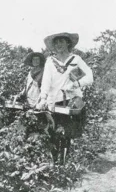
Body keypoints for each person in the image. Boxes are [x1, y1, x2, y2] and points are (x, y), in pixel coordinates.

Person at [36, 32, 93, 164]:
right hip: (53, 102)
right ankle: (54, 162)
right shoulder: (50, 61)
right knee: (52, 132)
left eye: (61, 42)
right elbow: (46, 82)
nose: (59, 45)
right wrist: (43, 98)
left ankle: (64, 163)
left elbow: (90, 76)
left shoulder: (75, 59)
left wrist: (76, 84)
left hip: (70, 102)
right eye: (56, 43)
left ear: (68, 43)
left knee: (66, 133)